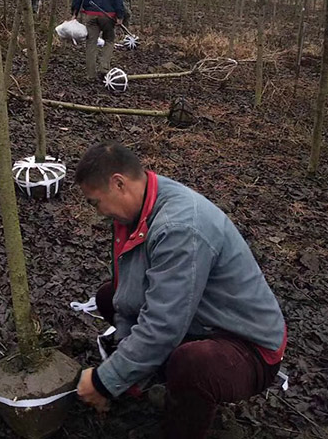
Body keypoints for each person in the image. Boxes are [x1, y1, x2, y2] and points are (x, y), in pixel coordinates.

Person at [74, 141, 287, 439]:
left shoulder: (180, 227)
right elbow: (129, 293)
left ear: (119, 183)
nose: (99, 212)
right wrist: (123, 366)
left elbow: (163, 326)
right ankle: (158, 378)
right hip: (201, 320)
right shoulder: (137, 210)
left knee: (191, 364)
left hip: (250, 346)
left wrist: (104, 381)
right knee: (109, 296)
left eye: (96, 202)